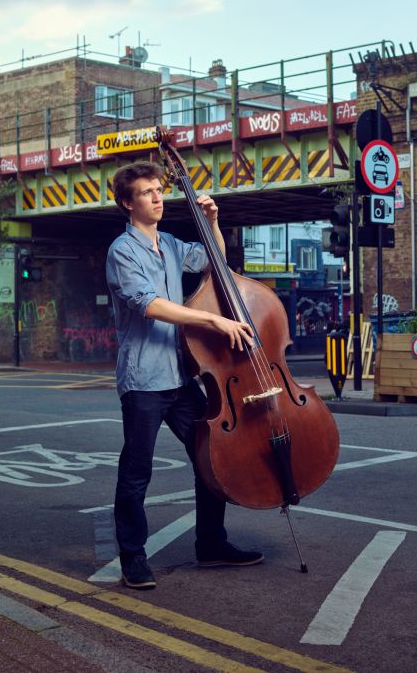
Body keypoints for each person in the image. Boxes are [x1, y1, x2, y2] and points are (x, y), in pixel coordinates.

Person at [105, 160, 262, 590]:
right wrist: (211, 322)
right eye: (147, 192)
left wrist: (213, 221)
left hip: (180, 378)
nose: (158, 197)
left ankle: (211, 543)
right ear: (127, 203)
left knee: (211, 458)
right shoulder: (122, 252)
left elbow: (215, 263)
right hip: (143, 382)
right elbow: (151, 304)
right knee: (136, 472)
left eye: (160, 190)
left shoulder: (171, 244)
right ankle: (132, 558)